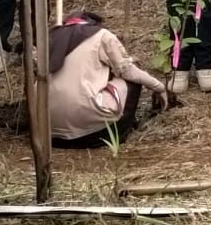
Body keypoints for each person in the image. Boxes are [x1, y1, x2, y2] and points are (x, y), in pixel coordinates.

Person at [48, 11, 167, 148]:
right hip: (87, 126)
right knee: (132, 80)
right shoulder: (101, 35)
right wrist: (158, 87)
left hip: (49, 130)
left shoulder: (51, 36)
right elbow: (128, 71)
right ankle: (119, 132)